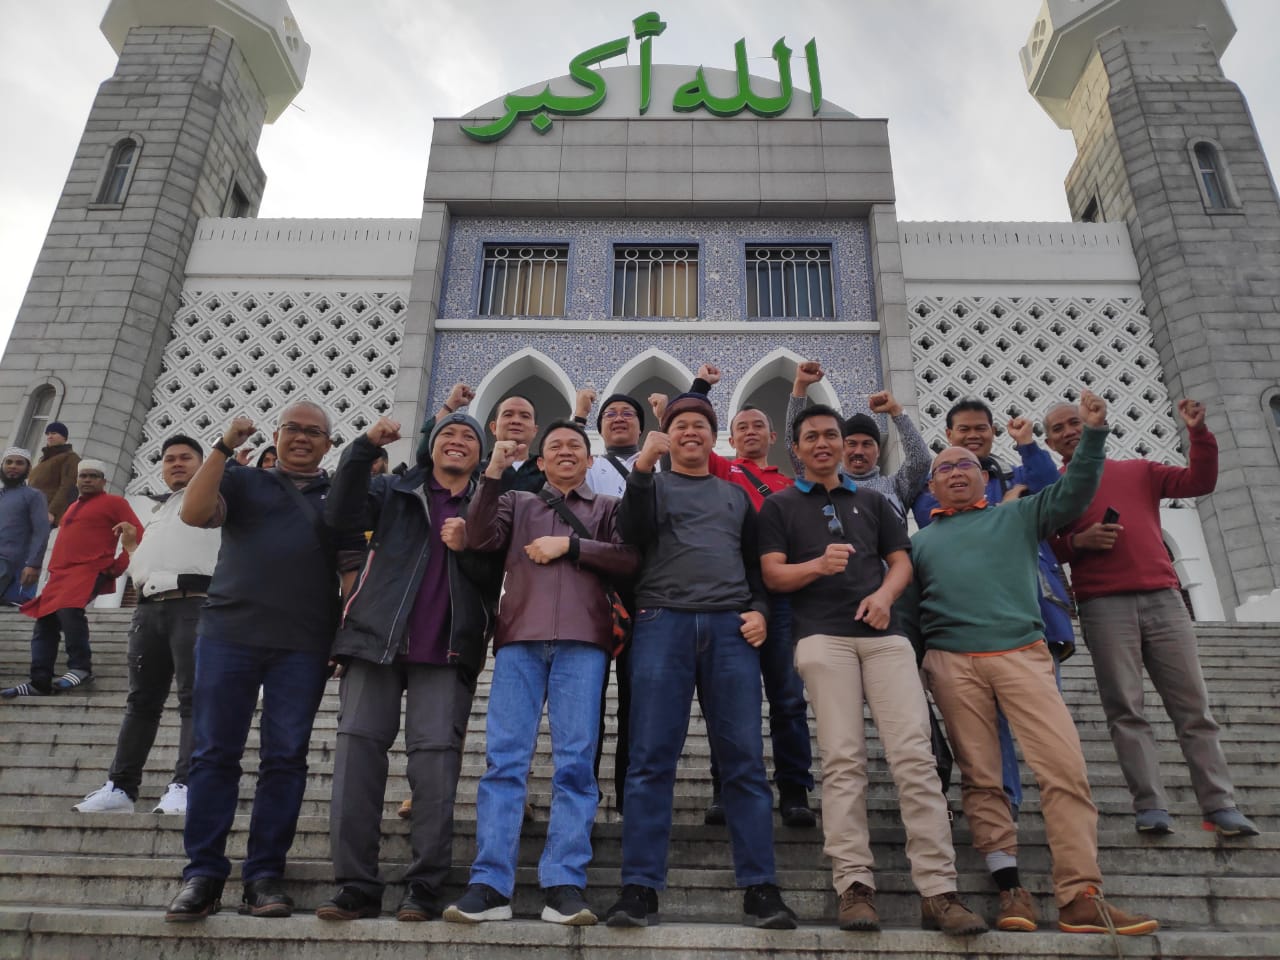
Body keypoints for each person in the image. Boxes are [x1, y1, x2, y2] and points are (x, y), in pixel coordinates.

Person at [906, 390, 1158, 937]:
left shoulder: (1018, 515)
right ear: (930, 488)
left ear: (984, 476)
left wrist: (1092, 436)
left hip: (1022, 657)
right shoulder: (921, 544)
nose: (954, 472)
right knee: (982, 780)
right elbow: (909, 613)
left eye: (965, 466)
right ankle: (1009, 887)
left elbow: (1072, 493)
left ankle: (1080, 894)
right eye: (944, 467)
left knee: (1064, 770)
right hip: (953, 666)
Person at [759, 404, 986, 936]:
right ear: (795, 448)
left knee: (915, 758)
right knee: (842, 761)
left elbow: (901, 561)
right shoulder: (780, 506)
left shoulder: (873, 500)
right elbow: (771, 574)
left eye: (830, 435)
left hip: (885, 640)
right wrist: (815, 566)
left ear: (844, 443)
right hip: (823, 639)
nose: (822, 443)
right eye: (810, 436)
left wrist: (885, 595)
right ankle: (853, 886)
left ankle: (940, 890)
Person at [164, 403, 366, 922]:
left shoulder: (338, 496)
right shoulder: (241, 479)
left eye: (314, 432)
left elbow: (350, 571)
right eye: (293, 429)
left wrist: (346, 635)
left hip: (303, 643)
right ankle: (202, 874)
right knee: (213, 755)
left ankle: (263, 875)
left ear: (328, 443)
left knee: (285, 759)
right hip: (229, 633)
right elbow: (193, 512)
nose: (302, 438)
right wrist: (223, 447)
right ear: (277, 436)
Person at [606, 392, 797, 930]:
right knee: (649, 761)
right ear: (668, 437)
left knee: (743, 762)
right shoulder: (650, 485)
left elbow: (755, 567)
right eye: (681, 426)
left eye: (701, 426)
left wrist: (759, 609)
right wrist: (643, 468)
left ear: (717, 439)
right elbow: (632, 534)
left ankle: (761, 887)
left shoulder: (736, 496)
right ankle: (639, 889)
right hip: (660, 623)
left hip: (729, 628)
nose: (691, 432)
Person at [444, 420, 639, 926]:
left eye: (576, 445)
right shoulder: (518, 502)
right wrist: (493, 471)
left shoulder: (607, 508)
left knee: (576, 765)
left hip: (584, 641)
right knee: (504, 762)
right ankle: (489, 884)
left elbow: (629, 558)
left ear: (590, 459)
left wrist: (572, 547)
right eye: (556, 447)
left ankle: (564, 883)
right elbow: (480, 536)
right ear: (543, 461)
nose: (566, 452)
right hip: (519, 640)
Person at [1044, 398, 1259, 838]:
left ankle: (1219, 805)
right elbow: (1048, 548)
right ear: (1048, 443)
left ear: (1092, 424)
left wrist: (1198, 432)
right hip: (1103, 606)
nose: (1068, 430)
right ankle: (1150, 807)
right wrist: (1078, 542)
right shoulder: (1057, 489)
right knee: (1125, 710)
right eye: (1058, 428)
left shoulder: (1138, 471)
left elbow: (1200, 480)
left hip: (1162, 598)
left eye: (1074, 421)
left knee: (1193, 708)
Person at [315, 411, 498, 923]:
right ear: (431, 447)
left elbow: (496, 569)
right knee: (356, 763)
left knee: (434, 769)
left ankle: (424, 885)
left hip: (445, 650)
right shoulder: (394, 490)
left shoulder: (490, 504)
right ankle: (355, 884)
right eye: (449, 435)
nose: (458, 442)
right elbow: (340, 512)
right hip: (375, 641)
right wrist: (363, 446)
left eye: (469, 437)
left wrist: (471, 542)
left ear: (480, 455)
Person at [911, 397, 1075, 820]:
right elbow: (943, 528)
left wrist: (1028, 444)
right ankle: (1008, 804)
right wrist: (1004, 513)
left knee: (1047, 728)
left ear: (992, 432)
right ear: (948, 436)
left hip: (1032, 617)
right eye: (963, 429)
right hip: (969, 630)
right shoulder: (938, 484)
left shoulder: (1016, 473)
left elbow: (1046, 487)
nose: (972, 435)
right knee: (987, 727)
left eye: (980, 428)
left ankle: (1059, 804)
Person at [72, 435, 221, 815]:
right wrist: (135, 546)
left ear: (202, 464)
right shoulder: (158, 510)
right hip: (149, 610)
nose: (175, 464)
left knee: (194, 699)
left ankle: (186, 785)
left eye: (186, 458)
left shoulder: (215, 499)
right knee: (141, 701)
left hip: (196, 604)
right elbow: (143, 570)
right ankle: (120, 788)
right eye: (169, 458)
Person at [4, 459, 139, 698]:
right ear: (76, 480)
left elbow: (136, 533)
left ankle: (80, 667)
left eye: (93, 476)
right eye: (83, 476)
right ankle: (39, 681)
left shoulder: (115, 503)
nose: (87, 480)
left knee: (69, 610)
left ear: (104, 481)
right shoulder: (72, 507)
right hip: (59, 576)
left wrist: (117, 567)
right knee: (44, 624)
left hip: (89, 570)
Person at [785, 361, 932, 522]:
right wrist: (800, 387)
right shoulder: (821, 482)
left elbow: (921, 460)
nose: (859, 452)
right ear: (840, 448)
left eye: (867, 444)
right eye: (852, 444)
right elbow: (795, 445)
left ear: (879, 451)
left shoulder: (896, 487)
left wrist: (897, 412)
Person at [0, 447, 50, 606]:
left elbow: (41, 533)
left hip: (9, 564)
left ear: (28, 469)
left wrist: (33, 564)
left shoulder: (34, 496)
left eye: (19, 463)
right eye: (9, 462)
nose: (13, 466)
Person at [28, 421, 81, 527]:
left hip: (44, 511)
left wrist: (52, 511)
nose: (49, 436)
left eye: (54, 433)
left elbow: (67, 487)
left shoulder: (70, 458)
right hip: (30, 508)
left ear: (64, 437)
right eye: (48, 434)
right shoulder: (46, 458)